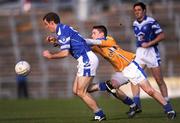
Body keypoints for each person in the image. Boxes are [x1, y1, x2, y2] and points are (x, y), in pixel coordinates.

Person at [86, 25, 176, 119]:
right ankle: (133, 105)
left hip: (131, 67)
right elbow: (86, 47)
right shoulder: (97, 46)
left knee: (149, 90)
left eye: (94, 33)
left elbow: (92, 42)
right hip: (120, 72)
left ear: (101, 34)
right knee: (111, 86)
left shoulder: (108, 39)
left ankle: (169, 109)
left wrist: (83, 40)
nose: (92, 35)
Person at [42, 12, 106, 121]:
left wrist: (51, 56)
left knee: (81, 91)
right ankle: (104, 86)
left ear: (52, 22)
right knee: (76, 90)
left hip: (86, 59)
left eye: (46, 24)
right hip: (84, 59)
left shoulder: (62, 31)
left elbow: (65, 53)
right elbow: (71, 43)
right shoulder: (62, 30)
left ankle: (99, 114)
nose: (46, 27)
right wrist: (56, 41)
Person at [131, 2, 170, 111]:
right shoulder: (134, 23)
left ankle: (167, 104)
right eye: (135, 10)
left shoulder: (151, 21)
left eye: (139, 10)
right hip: (140, 52)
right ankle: (136, 105)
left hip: (151, 52)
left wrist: (149, 43)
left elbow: (162, 35)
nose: (137, 12)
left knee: (159, 80)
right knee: (133, 76)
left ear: (144, 11)